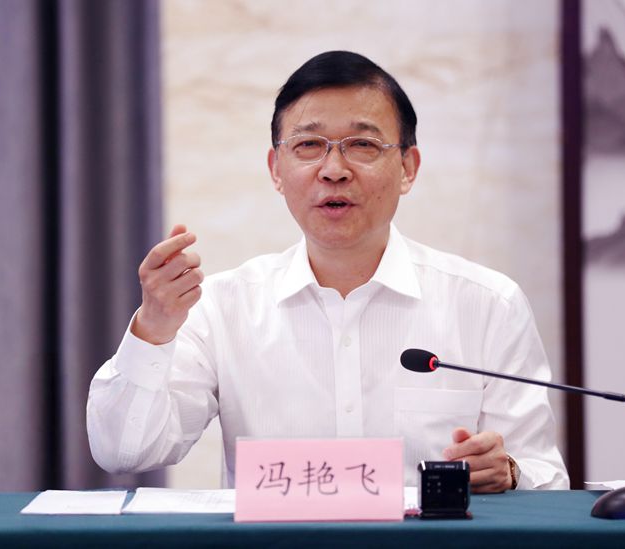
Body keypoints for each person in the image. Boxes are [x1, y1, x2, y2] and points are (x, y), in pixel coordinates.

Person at [87, 51, 569, 492]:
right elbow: (125, 452)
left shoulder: (488, 305)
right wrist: (154, 328)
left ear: (408, 167)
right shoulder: (222, 307)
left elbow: (547, 479)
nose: (334, 169)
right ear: (276, 169)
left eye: (362, 144)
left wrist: (509, 472)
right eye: (309, 145)